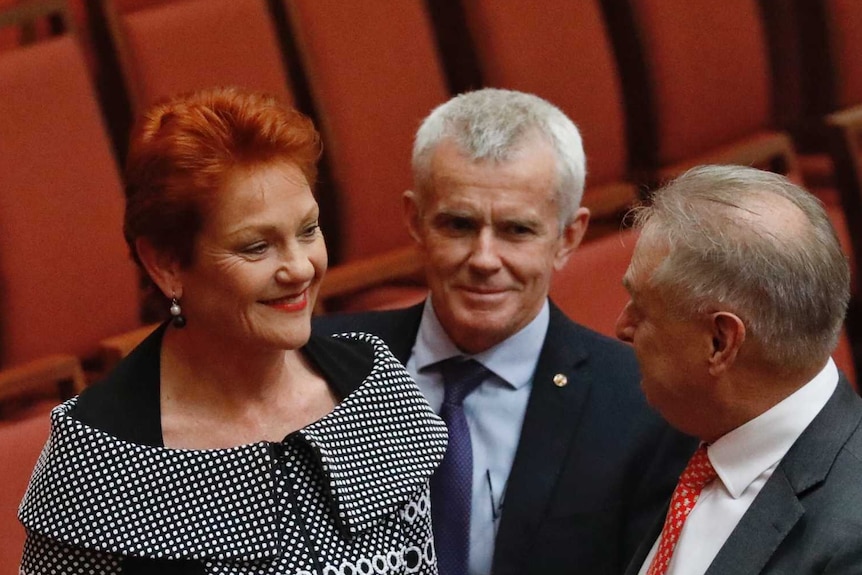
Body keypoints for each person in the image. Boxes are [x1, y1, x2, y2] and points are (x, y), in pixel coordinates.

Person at [17, 87, 447, 575]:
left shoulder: (374, 384)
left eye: (308, 230)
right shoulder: (96, 463)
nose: (300, 268)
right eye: (256, 247)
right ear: (167, 264)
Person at [314, 88, 697, 575]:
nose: (484, 259)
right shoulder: (321, 364)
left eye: (517, 230)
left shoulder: (642, 406)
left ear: (568, 237)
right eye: (458, 225)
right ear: (415, 222)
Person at [617, 165, 862, 575]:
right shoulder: (694, 430)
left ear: (720, 342)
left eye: (642, 309)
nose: (622, 327)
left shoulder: (848, 541)